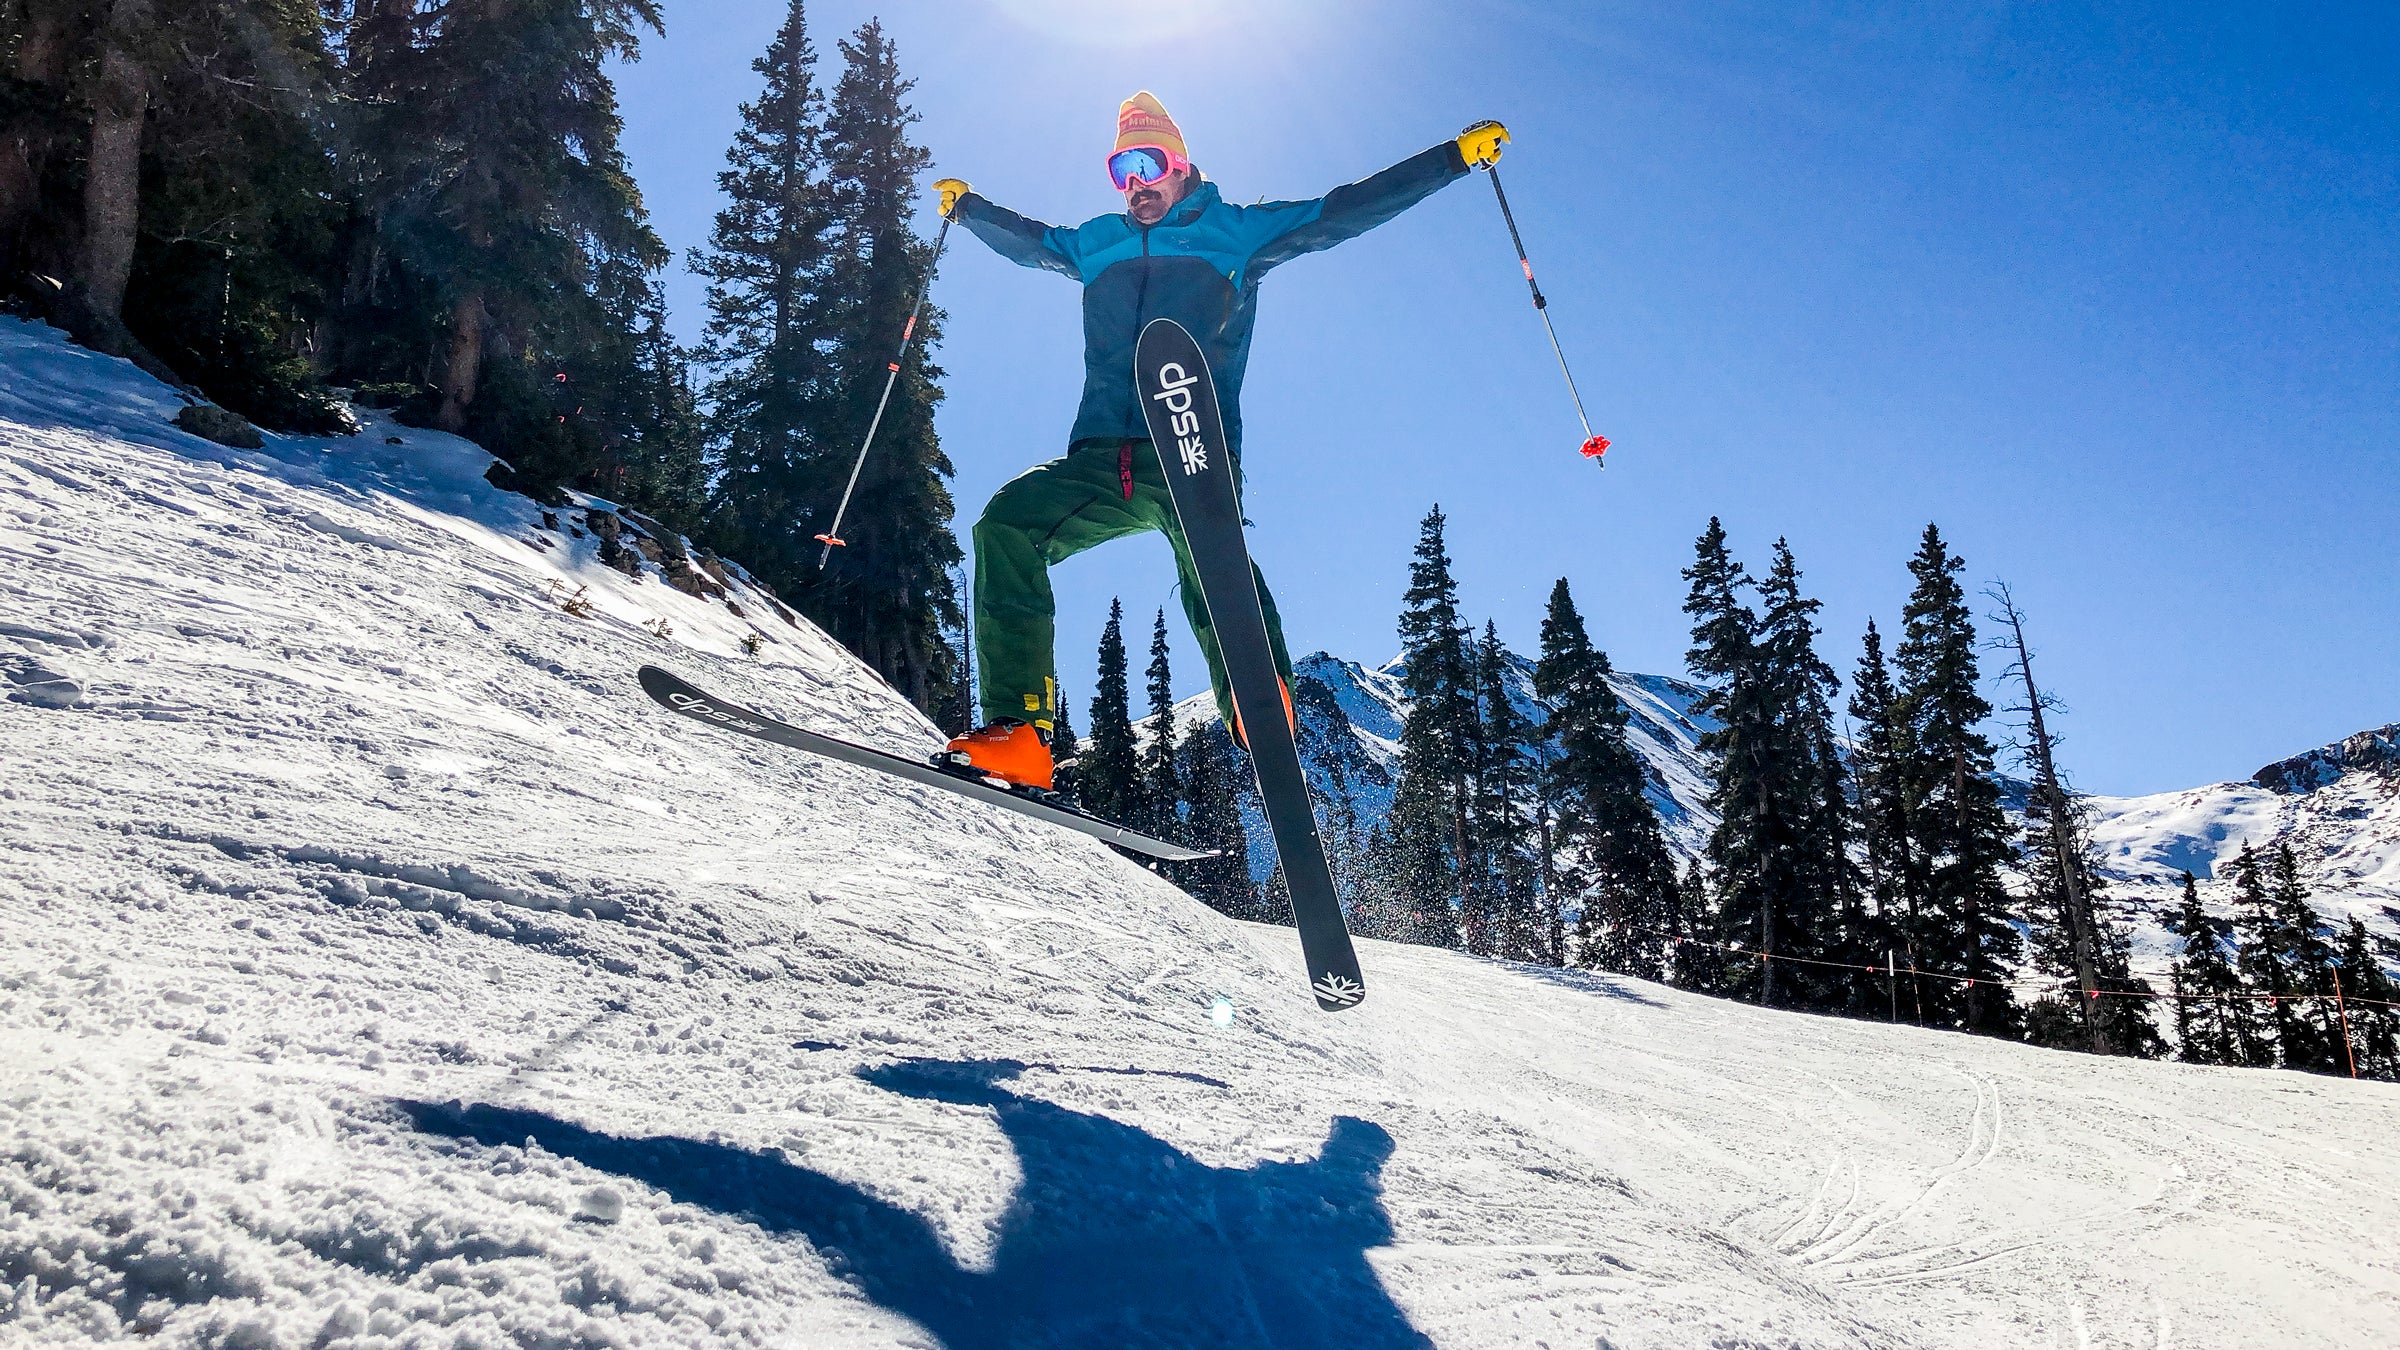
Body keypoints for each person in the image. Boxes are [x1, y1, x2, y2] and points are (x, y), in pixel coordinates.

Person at [934, 92, 1509, 791]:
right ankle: (1023, 734)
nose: (1136, 182)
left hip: (1191, 446)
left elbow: (1342, 211)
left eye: (1149, 163)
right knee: (1006, 526)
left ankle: (1259, 701)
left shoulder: (1236, 232)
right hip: (1102, 458)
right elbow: (1031, 242)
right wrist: (970, 210)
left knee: (1212, 567)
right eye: (1120, 170)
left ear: (1181, 165)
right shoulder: (1096, 243)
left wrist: (1451, 160)